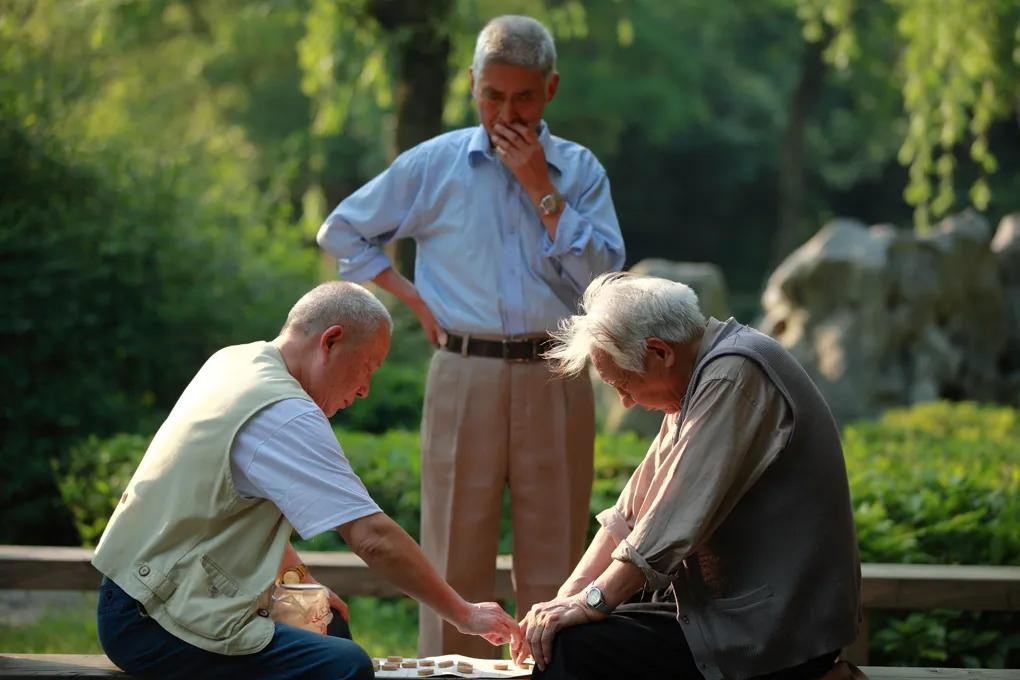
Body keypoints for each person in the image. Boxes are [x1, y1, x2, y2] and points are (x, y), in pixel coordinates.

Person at [316, 15, 626, 658]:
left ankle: (549, 672)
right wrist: (412, 297)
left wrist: (542, 188)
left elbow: (607, 277)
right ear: (471, 84)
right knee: (454, 558)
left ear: (551, 90)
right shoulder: (435, 165)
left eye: (523, 97)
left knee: (561, 556)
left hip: (557, 369)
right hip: (463, 371)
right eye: (492, 95)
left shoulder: (579, 170)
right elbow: (341, 232)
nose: (505, 111)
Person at [91, 282, 517, 680]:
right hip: (155, 620)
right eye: (368, 367)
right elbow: (372, 537)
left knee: (327, 621)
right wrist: (465, 614)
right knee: (345, 666)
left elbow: (234, 508)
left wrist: (302, 583)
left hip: (135, 595)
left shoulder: (235, 362)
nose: (366, 389)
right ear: (330, 341)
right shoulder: (284, 413)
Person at [512, 273, 862, 680]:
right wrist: (563, 601)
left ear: (660, 353)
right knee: (563, 635)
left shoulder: (733, 375)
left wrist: (591, 602)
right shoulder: (697, 379)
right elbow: (630, 516)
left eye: (623, 384)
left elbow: (668, 523)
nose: (624, 402)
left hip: (773, 632)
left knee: (573, 651)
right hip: (721, 614)